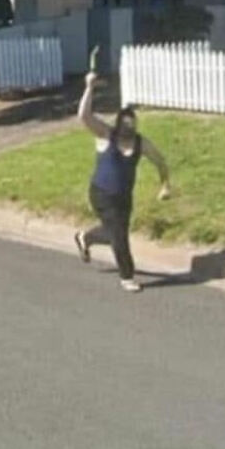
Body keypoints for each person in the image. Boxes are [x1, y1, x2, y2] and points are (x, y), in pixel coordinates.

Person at [74, 69, 171, 292]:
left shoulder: (140, 143)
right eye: (125, 125)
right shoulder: (105, 134)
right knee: (119, 236)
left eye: (132, 125)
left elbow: (160, 161)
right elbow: (84, 116)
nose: (129, 129)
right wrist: (89, 87)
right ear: (118, 124)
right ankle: (127, 277)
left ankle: (85, 238)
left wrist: (165, 184)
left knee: (115, 232)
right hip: (101, 193)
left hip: (124, 198)